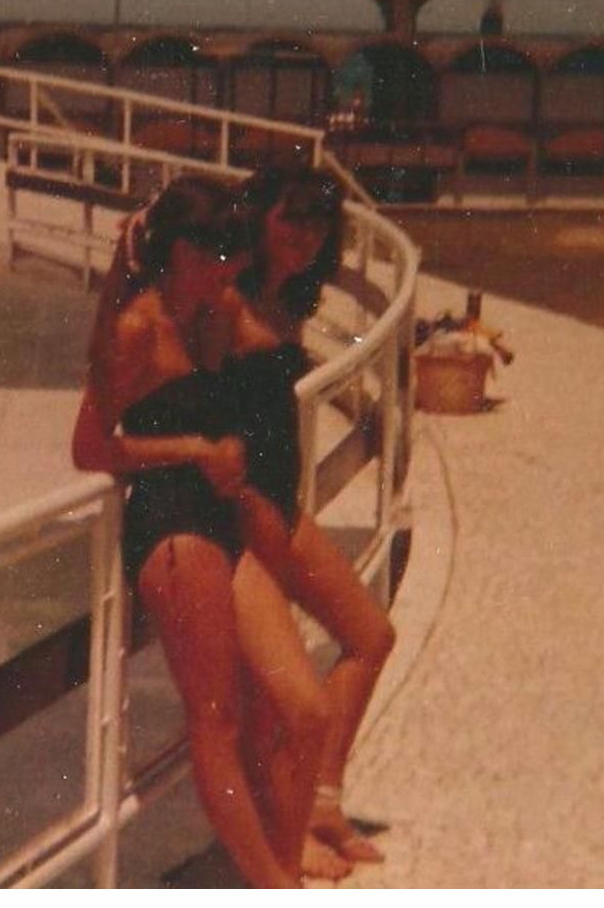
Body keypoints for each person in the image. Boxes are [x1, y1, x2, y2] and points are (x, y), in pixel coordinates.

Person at [71, 175, 332, 889]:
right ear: (175, 250)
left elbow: (273, 344)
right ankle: (278, 890)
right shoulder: (136, 330)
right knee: (214, 721)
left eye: (231, 248)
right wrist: (191, 448)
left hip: (223, 523)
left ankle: (271, 873)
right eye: (215, 248)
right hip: (173, 528)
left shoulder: (213, 314)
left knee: (303, 710)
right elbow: (91, 448)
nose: (229, 262)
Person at [228, 165, 398, 881]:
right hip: (231, 524)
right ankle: (286, 835)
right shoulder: (224, 294)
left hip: (278, 508)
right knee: (289, 700)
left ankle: (321, 802)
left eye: (316, 222)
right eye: (287, 217)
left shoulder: (287, 295)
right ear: (257, 216)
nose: (302, 235)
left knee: (370, 635)